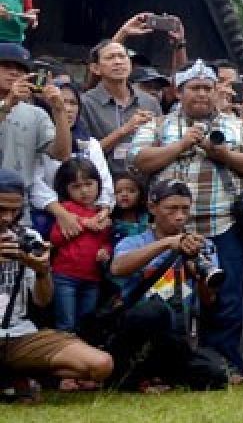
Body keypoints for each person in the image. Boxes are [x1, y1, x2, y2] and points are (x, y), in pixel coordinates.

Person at [128, 60, 243, 376]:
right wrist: (182, 144)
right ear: (179, 92)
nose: (202, 94)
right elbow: (137, 161)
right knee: (168, 298)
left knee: (226, 300)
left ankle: (224, 366)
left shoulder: (238, 126)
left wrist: (224, 155)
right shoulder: (158, 125)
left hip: (224, 225)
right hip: (170, 232)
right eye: (195, 88)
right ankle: (166, 368)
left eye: (208, 88)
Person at [108, 179, 229, 391]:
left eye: (185, 209)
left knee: (216, 374)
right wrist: (167, 244)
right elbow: (117, 268)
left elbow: (208, 300)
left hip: (177, 337)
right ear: (152, 208)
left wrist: (199, 273)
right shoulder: (134, 241)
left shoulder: (202, 245)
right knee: (155, 310)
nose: (180, 216)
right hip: (138, 333)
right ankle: (134, 378)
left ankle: (161, 377)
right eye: (171, 209)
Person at [0, 169, 112, 397]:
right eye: (1, 209)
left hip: (17, 333)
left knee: (100, 364)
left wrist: (42, 272)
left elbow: (42, 301)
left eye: (14, 210)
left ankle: (18, 374)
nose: (7, 218)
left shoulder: (28, 237)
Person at [30, 79, 114, 237]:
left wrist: (103, 210)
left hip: (91, 217)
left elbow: (104, 181)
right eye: (60, 102)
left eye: (73, 103)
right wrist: (62, 214)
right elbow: (36, 185)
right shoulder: (37, 143)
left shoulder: (90, 144)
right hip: (50, 217)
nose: (67, 109)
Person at [0, 44, 71, 208]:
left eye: (21, 69)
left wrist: (59, 110)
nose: (15, 72)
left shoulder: (36, 113)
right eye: (6, 66)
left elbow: (62, 154)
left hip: (17, 206)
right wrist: (8, 104)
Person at [48, 158, 112, 335]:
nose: (84, 191)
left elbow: (106, 241)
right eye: (76, 186)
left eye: (89, 184)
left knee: (86, 324)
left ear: (98, 184)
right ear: (66, 189)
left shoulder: (101, 214)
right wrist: (84, 223)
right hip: (65, 277)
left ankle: (85, 358)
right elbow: (55, 239)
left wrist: (105, 251)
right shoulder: (66, 209)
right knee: (66, 325)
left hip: (92, 278)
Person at [80, 37, 163, 173]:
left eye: (122, 57)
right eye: (110, 58)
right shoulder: (85, 103)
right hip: (103, 183)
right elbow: (83, 154)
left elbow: (162, 145)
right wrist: (126, 129)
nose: (118, 62)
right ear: (95, 68)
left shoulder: (150, 102)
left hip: (144, 181)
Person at [111, 171, 150, 242]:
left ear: (141, 194)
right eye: (118, 192)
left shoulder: (148, 218)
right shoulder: (110, 223)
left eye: (131, 191)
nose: (124, 194)